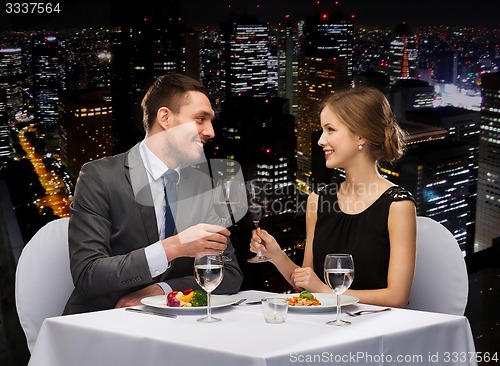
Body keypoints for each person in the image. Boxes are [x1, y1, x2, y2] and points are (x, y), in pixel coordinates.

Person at [63, 73, 243, 315]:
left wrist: (162, 290)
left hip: (174, 328)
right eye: (200, 119)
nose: (210, 132)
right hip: (103, 323)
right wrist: (173, 248)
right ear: (165, 118)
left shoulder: (204, 186)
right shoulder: (99, 177)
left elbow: (229, 274)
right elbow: (88, 274)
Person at [250, 87, 416, 308]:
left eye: (330, 130)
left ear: (361, 134)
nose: (320, 140)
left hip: (375, 331)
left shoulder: (398, 205)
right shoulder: (317, 200)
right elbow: (307, 286)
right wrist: (276, 255)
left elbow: (397, 298)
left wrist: (325, 292)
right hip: (324, 327)